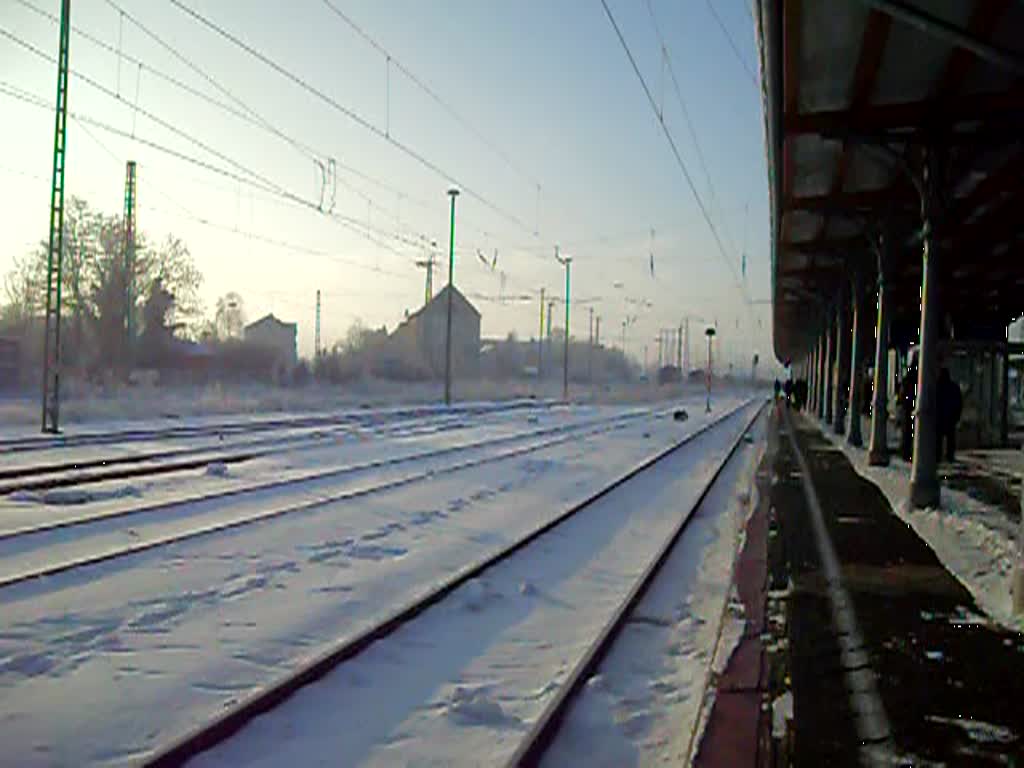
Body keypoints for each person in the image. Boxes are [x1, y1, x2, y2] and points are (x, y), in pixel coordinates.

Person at [936, 367, 963, 462]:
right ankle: (949, 456)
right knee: (950, 438)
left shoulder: (937, 386)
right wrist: (957, 415)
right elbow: (959, 402)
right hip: (950, 417)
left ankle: (938, 456)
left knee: (938, 438)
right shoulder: (953, 387)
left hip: (940, 417)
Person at [899, 363, 917, 461]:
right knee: (909, 432)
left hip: (907, 408)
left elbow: (902, 394)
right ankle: (907, 453)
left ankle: (905, 453)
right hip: (910, 407)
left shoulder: (907, 380)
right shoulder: (916, 380)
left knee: (906, 432)